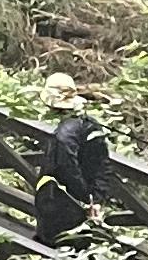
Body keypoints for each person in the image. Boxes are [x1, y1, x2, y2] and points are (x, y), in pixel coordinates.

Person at [32, 73, 114, 245]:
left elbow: (65, 167)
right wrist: (96, 198)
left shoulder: (64, 135)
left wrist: (84, 196)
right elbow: (103, 164)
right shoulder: (91, 124)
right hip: (82, 200)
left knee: (53, 243)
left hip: (60, 201)